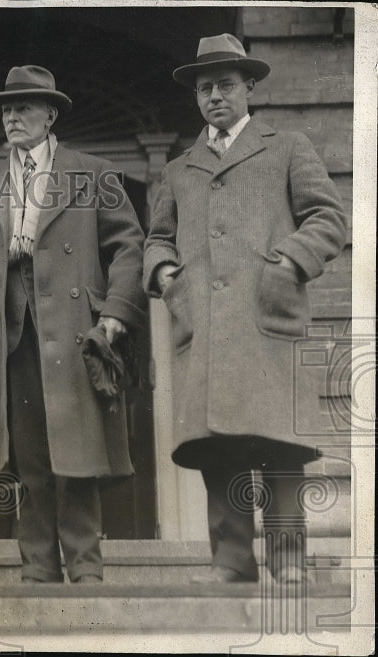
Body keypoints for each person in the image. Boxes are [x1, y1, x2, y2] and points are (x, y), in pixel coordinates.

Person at [144, 34, 348, 585]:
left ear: (249, 88)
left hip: (267, 318)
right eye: (205, 87)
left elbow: (328, 220)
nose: (214, 96)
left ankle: (286, 557)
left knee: (280, 444)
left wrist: (287, 264)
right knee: (220, 446)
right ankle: (231, 558)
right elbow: (156, 238)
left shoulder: (287, 146)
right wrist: (166, 275)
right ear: (196, 96)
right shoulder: (179, 168)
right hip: (206, 325)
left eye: (225, 85)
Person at [0, 66, 146, 584]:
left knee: (77, 450)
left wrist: (114, 314)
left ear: (51, 115)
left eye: (23, 107)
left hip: (76, 330)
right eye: (6, 108)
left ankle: (85, 567)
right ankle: (37, 567)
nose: (12, 116)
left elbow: (128, 246)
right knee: (28, 456)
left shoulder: (92, 172)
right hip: (12, 336)